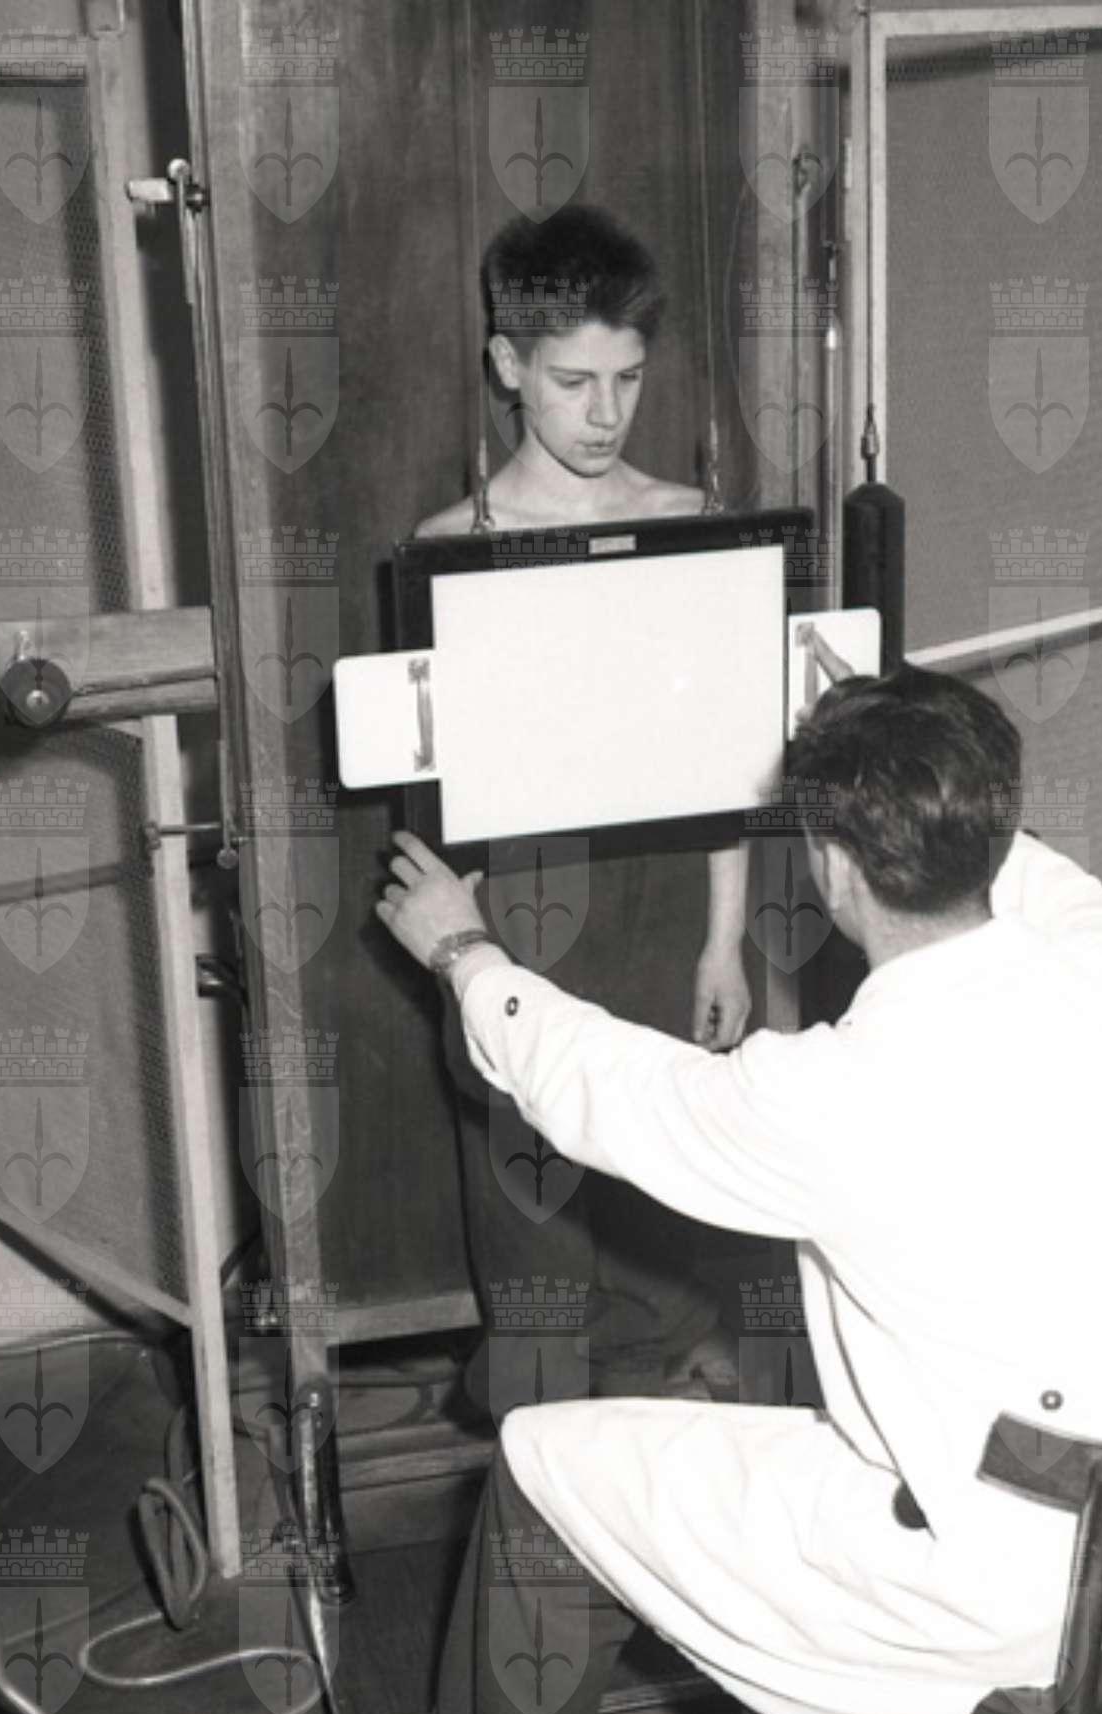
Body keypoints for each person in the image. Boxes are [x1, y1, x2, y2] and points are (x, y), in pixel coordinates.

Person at [368, 668, 1102, 1714]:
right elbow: (1032, 866)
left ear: (831, 864)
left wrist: (462, 949)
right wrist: (896, 747)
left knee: (543, 1461)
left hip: (988, 1586)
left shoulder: (832, 1095)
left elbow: (599, 1083)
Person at [415, 205, 756, 1410]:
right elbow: (439, 790)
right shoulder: (449, 547)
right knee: (532, 1192)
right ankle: (551, 1436)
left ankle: (671, 1428)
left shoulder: (689, 521)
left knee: (658, 1190)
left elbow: (730, 757)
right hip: (520, 908)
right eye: (573, 382)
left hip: (660, 904)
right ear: (509, 366)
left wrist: (724, 937)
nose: (605, 414)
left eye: (628, 379)